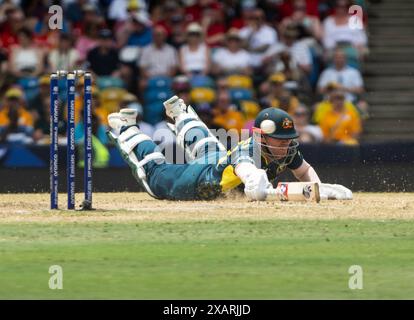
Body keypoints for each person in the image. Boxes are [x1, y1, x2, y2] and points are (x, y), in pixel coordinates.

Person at [107, 95, 325, 201]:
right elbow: (250, 177)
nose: (285, 145)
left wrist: (318, 188)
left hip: (218, 159)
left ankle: (180, 113)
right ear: (261, 137)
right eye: (279, 139)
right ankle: (128, 128)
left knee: (208, 145)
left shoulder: (287, 148)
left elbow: (304, 171)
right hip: (198, 181)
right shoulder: (247, 152)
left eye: (288, 139)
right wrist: (258, 183)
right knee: (155, 177)